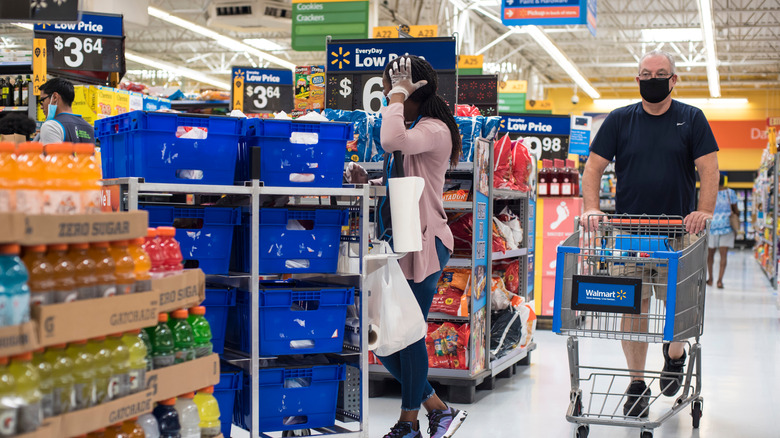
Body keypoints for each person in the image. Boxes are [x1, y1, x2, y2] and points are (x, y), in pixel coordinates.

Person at [582, 50, 719, 418]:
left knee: (679, 309)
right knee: (634, 308)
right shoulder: (619, 120)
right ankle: (637, 383)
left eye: (660, 73)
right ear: (637, 79)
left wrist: (704, 210)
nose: (652, 78)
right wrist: (592, 207)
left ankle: (674, 355)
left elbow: (709, 169)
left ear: (673, 80)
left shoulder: (691, 119)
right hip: (631, 234)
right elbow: (593, 168)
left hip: (678, 233)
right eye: (646, 73)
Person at [371, 55, 467, 438]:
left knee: (407, 334)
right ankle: (439, 410)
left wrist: (396, 94)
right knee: (384, 337)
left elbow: (391, 138)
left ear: (415, 92)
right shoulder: (418, 127)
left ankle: (408, 423)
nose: (387, 95)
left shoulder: (435, 129)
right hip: (403, 243)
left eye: (392, 88)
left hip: (424, 245)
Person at [35, 78, 95, 145]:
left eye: (42, 100)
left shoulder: (51, 126)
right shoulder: (89, 128)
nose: (41, 106)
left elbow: (53, 155)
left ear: (55, 97)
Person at [707, 174, 739, 288]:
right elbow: (736, 210)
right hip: (726, 228)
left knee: (710, 255)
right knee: (723, 255)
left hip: (712, 228)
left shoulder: (709, 192)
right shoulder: (730, 193)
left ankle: (710, 279)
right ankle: (719, 281)